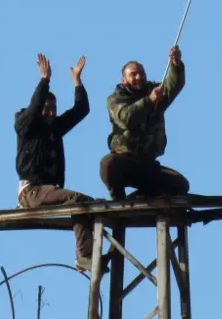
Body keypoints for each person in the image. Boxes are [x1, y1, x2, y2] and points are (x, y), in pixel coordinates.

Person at [15, 52, 95, 271]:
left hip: (49, 190)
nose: (51, 113)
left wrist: (77, 82)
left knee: (91, 204)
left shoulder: (54, 128)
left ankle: (90, 253)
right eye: (47, 109)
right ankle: (85, 255)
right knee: (78, 200)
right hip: (31, 192)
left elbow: (81, 110)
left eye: (54, 109)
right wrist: (44, 79)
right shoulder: (26, 126)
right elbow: (32, 110)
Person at [100, 45, 190, 200]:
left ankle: (138, 198)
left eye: (141, 73)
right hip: (125, 161)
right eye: (133, 74)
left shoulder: (154, 91)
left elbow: (173, 86)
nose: (138, 77)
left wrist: (176, 65)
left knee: (180, 184)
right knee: (108, 164)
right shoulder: (115, 99)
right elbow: (126, 118)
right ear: (124, 79)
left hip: (148, 163)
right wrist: (149, 101)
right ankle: (119, 202)